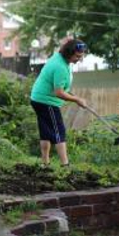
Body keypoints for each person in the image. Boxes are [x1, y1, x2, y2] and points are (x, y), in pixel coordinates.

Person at [30, 38, 88, 167]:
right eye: (77, 56)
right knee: (59, 132)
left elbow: (58, 86)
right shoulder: (60, 66)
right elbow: (59, 93)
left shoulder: (59, 57)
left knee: (45, 132)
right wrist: (77, 99)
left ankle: (45, 164)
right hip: (47, 102)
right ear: (69, 53)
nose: (79, 59)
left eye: (81, 56)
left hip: (38, 98)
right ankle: (65, 165)